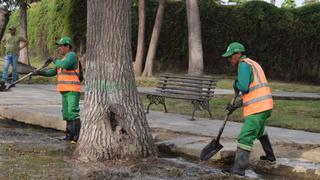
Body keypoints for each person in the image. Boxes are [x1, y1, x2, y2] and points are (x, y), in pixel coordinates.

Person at [222, 42, 276, 176]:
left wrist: (236, 83)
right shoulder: (253, 63)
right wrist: (235, 106)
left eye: (230, 56)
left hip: (258, 108)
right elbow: (251, 93)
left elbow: (244, 87)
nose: (229, 59)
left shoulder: (244, 65)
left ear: (239, 54)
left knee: (245, 137)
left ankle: (239, 169)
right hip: (264, 105)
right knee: (260, 130)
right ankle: (270, 157)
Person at [33, 36, 81, 143]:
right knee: (66, 113)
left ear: (68, 46)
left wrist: (54, 60)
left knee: (73, 112)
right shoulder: (63, 59)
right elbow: (52, 72)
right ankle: (69, 136)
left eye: (61, 46)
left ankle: (76, 137)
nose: (59, 48)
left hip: (72, 90)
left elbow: (63, 65)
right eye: (58, 46)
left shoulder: (71, 56)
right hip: (64, 91)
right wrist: (39, 72)